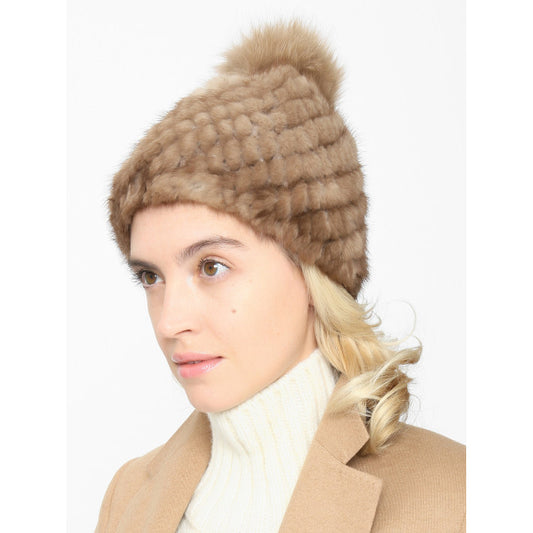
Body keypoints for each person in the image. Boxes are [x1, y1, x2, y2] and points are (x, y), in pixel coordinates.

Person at [95, 20, 465, 533]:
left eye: (211, 267)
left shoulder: (460, 497)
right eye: (150, 277)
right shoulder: (129, 496)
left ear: (314, 271)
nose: (169, 322)